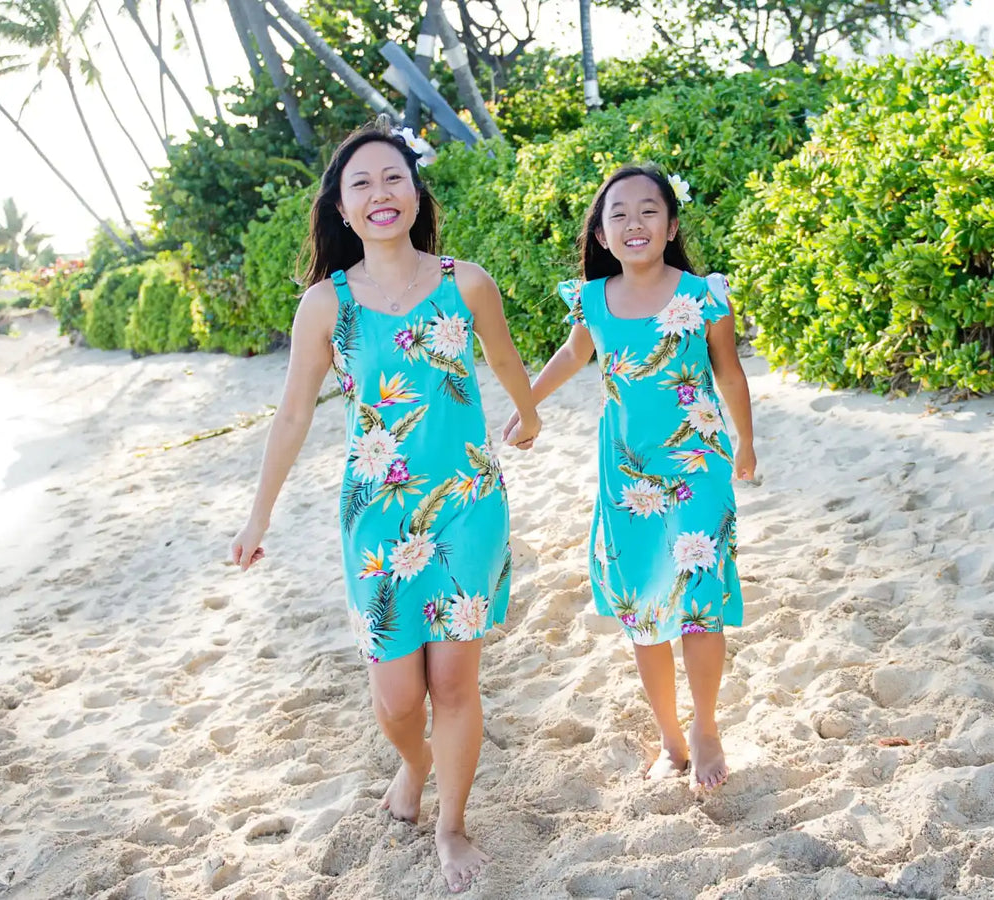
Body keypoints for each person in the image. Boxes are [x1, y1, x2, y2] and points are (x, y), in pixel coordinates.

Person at [229, 123, 541, 892]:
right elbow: (295, 415)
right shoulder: (325, 306)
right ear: (339, 206)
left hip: (469, 503)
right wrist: (257, 517)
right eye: (361, 183)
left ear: (416, 191)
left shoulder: (465, 282)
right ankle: (414, 763)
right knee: (396, 695)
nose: (380, 194)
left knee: (455, 684)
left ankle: (454, 822)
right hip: (377, 518)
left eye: (393, 178)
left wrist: (529, 416)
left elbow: (504, 359)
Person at [503, 164, 756, 790]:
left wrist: (745, 441)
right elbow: (571, 354)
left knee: (698, 601)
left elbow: (728, 371)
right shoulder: (592, 300)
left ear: (671, 226)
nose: (633, 223)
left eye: (648, 211)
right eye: (617, 214)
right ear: (602, 233)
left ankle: (705, 726)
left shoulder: (704, 295)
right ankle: (670, 738)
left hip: (698, 463)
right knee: (646, 608)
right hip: (628, 475)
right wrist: (526, 406)